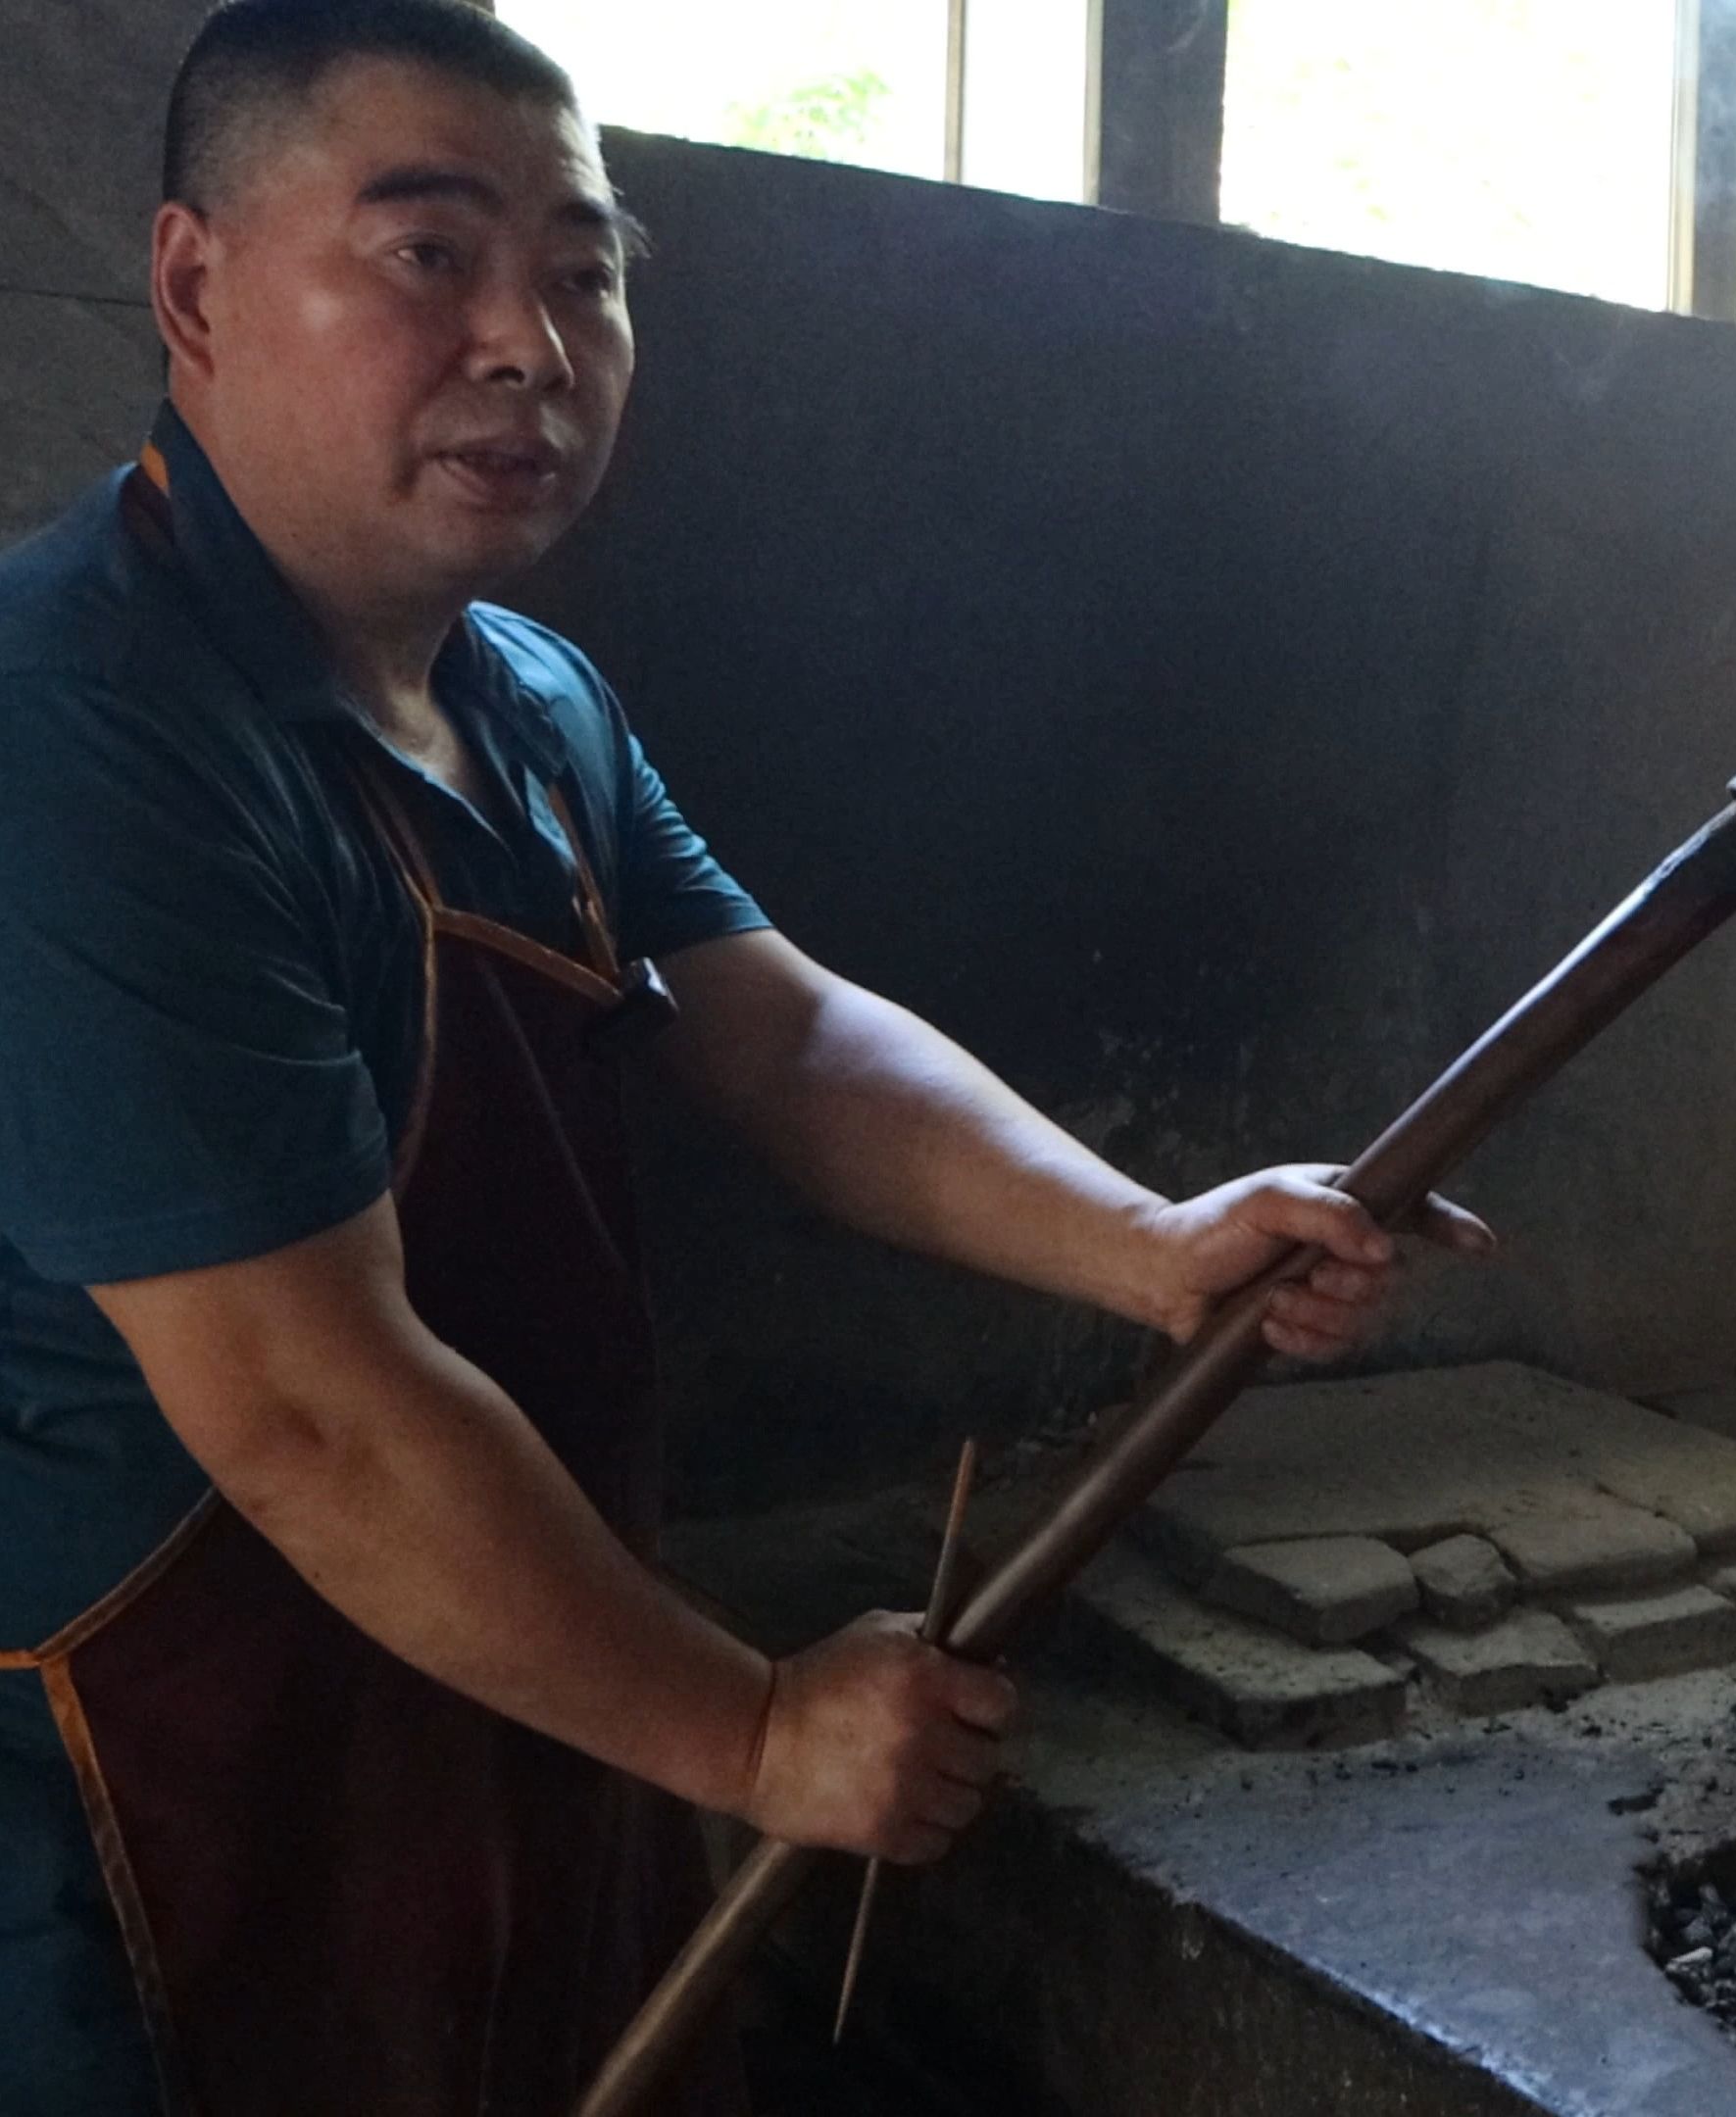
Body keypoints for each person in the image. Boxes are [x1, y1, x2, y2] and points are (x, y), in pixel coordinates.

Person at [0, 3, 1494, 2109]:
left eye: (589, 269)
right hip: (162, 1805)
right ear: (192, 282)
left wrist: (1150, 1245)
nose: (535, 339)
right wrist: (755, 1731)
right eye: (432, 254)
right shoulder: (89, 735)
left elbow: (780, 1037)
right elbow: (308, 1418)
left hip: (485, 1688)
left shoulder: (526, 698)